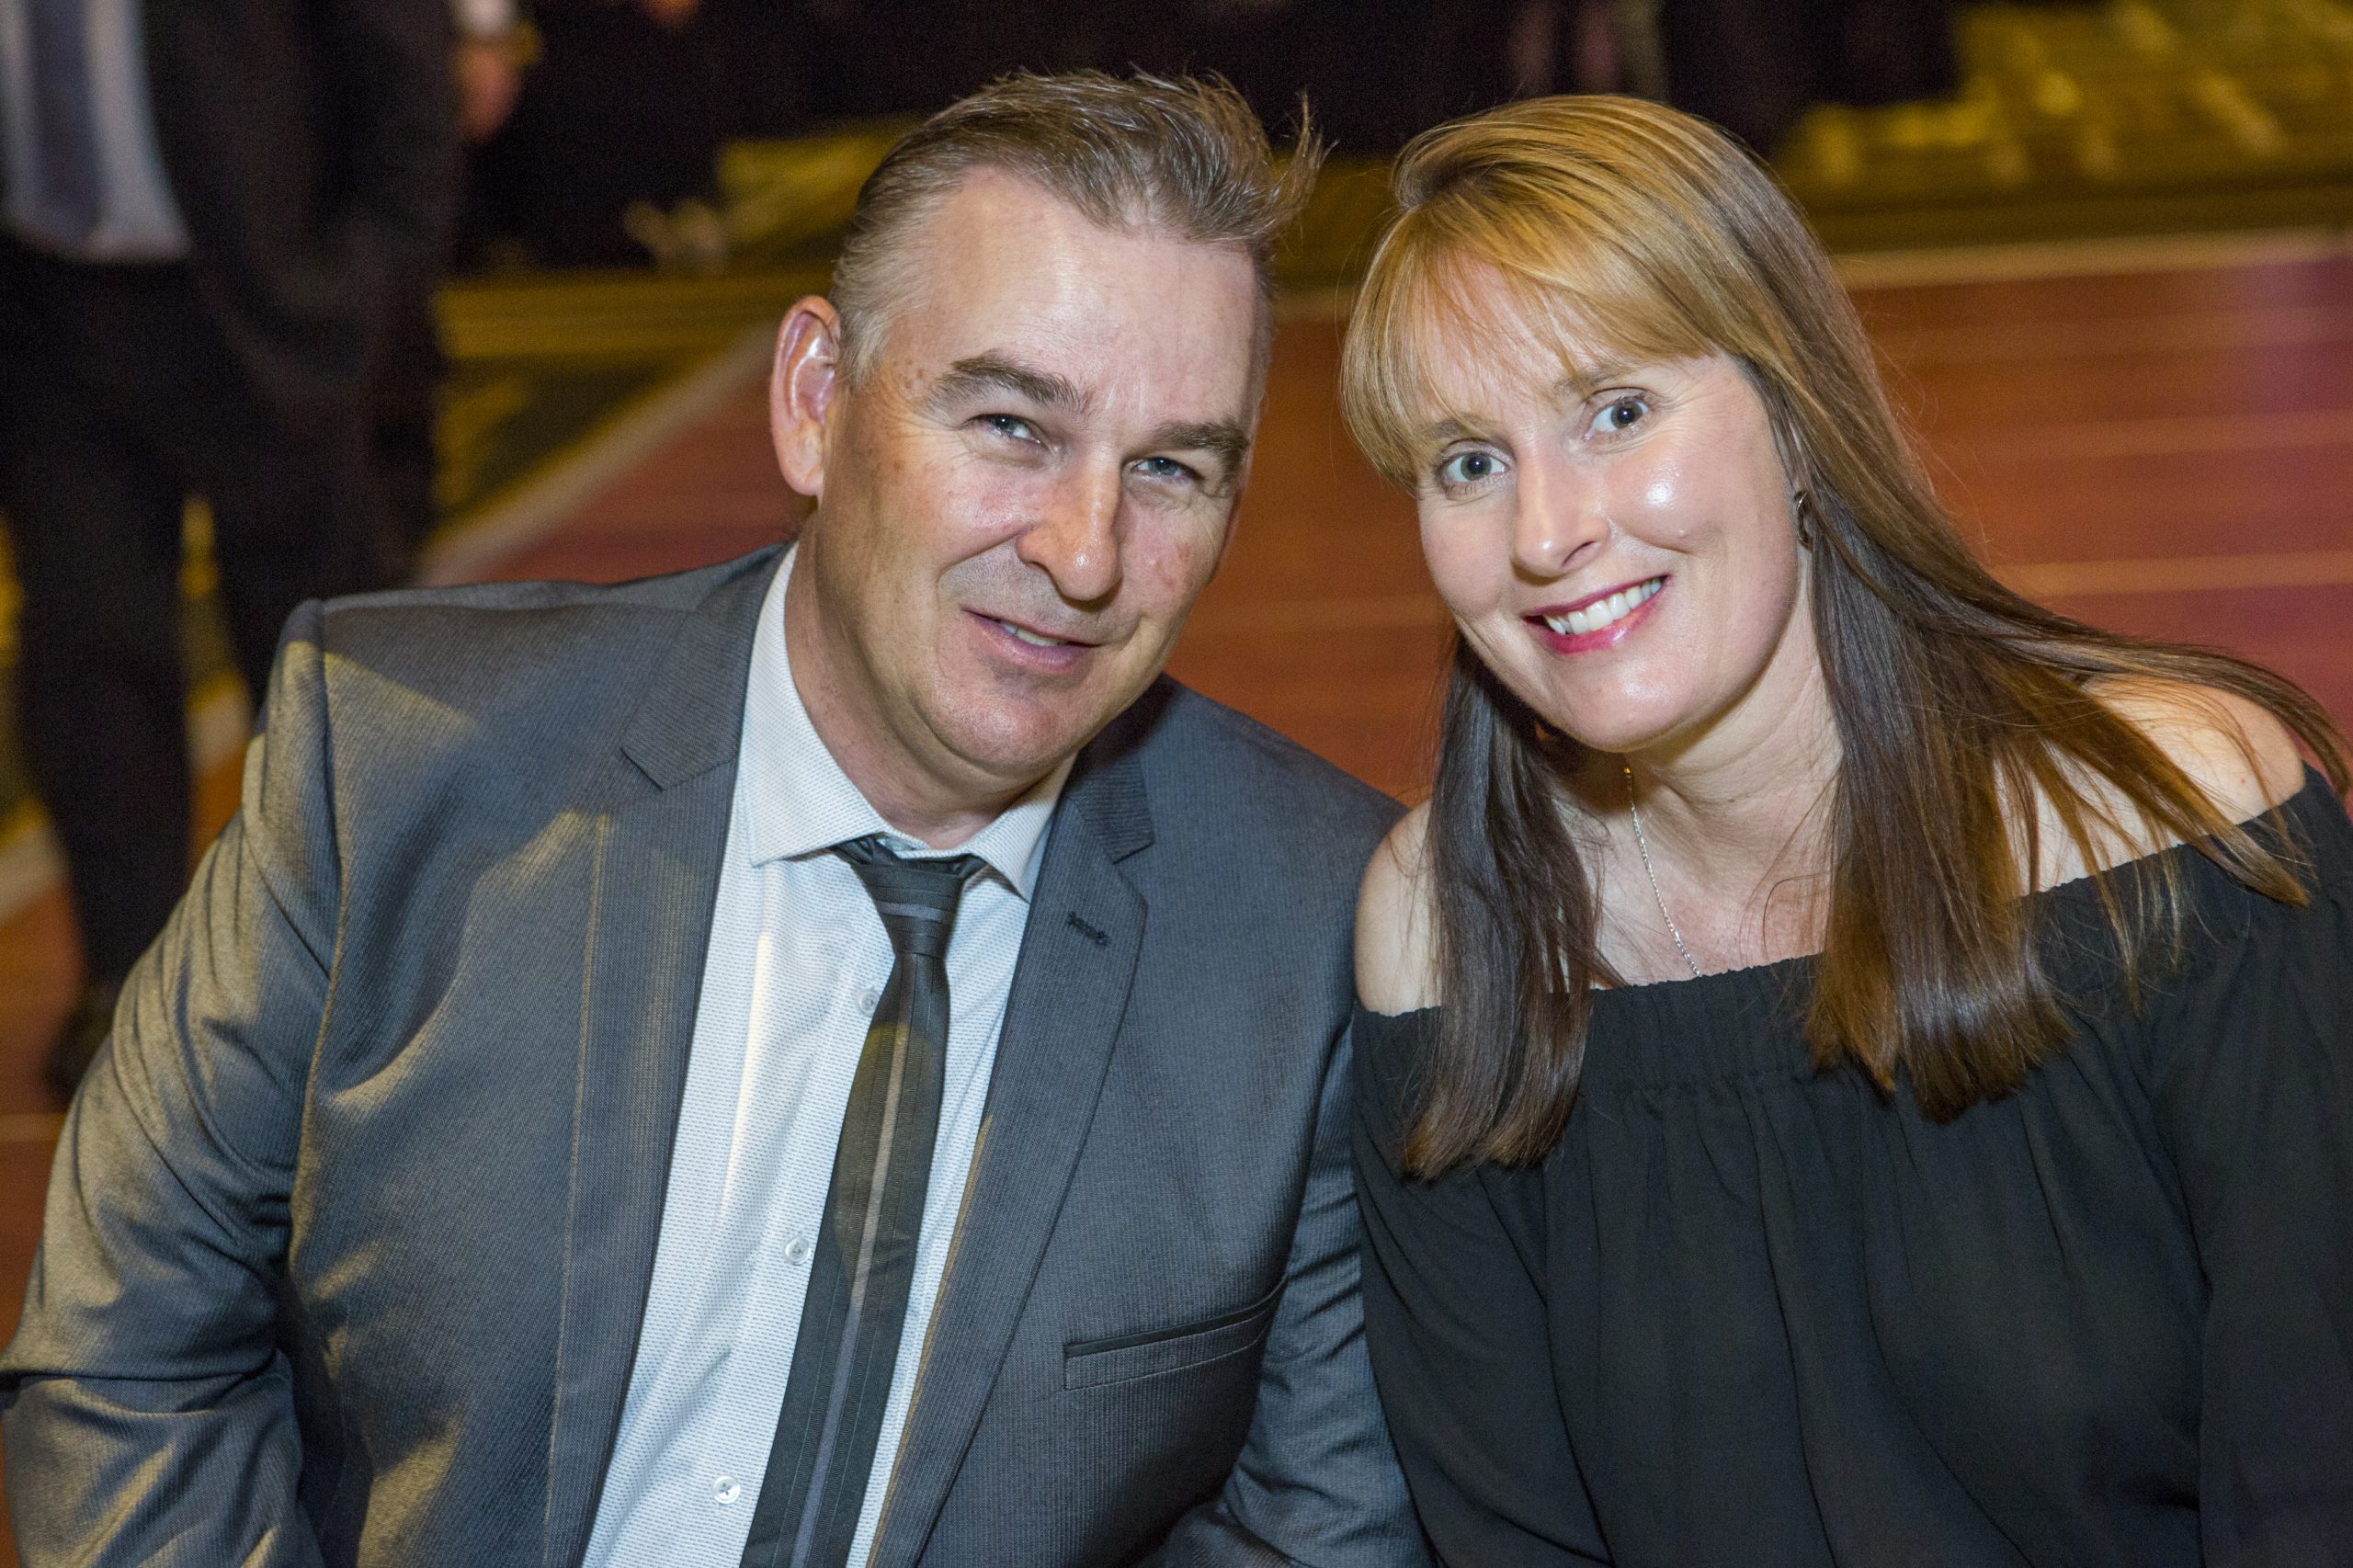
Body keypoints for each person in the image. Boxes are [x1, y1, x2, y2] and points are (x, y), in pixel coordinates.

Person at [0, 72, 1426, 1567]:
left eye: (1171, 469)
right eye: (1012, 424)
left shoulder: (1321, 935)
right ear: (814, 400)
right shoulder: (395, 767)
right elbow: (128, 1356)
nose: (1085, 553)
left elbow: (1309, 1531)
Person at [1341, 95, 2353, 1567]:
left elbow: (2316, 1478)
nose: (1545, 533)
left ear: (1799, 417)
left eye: (1616, 412)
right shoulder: (1449, 930)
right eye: (1467, 462)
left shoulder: (2168, 816)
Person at [0, 0, 460, 1090]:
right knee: (90, 646)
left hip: (264, 301)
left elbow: (403, 70)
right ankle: (132, 981)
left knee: (320, 659)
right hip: (43, 312)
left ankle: (349, 984)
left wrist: (371, 278)